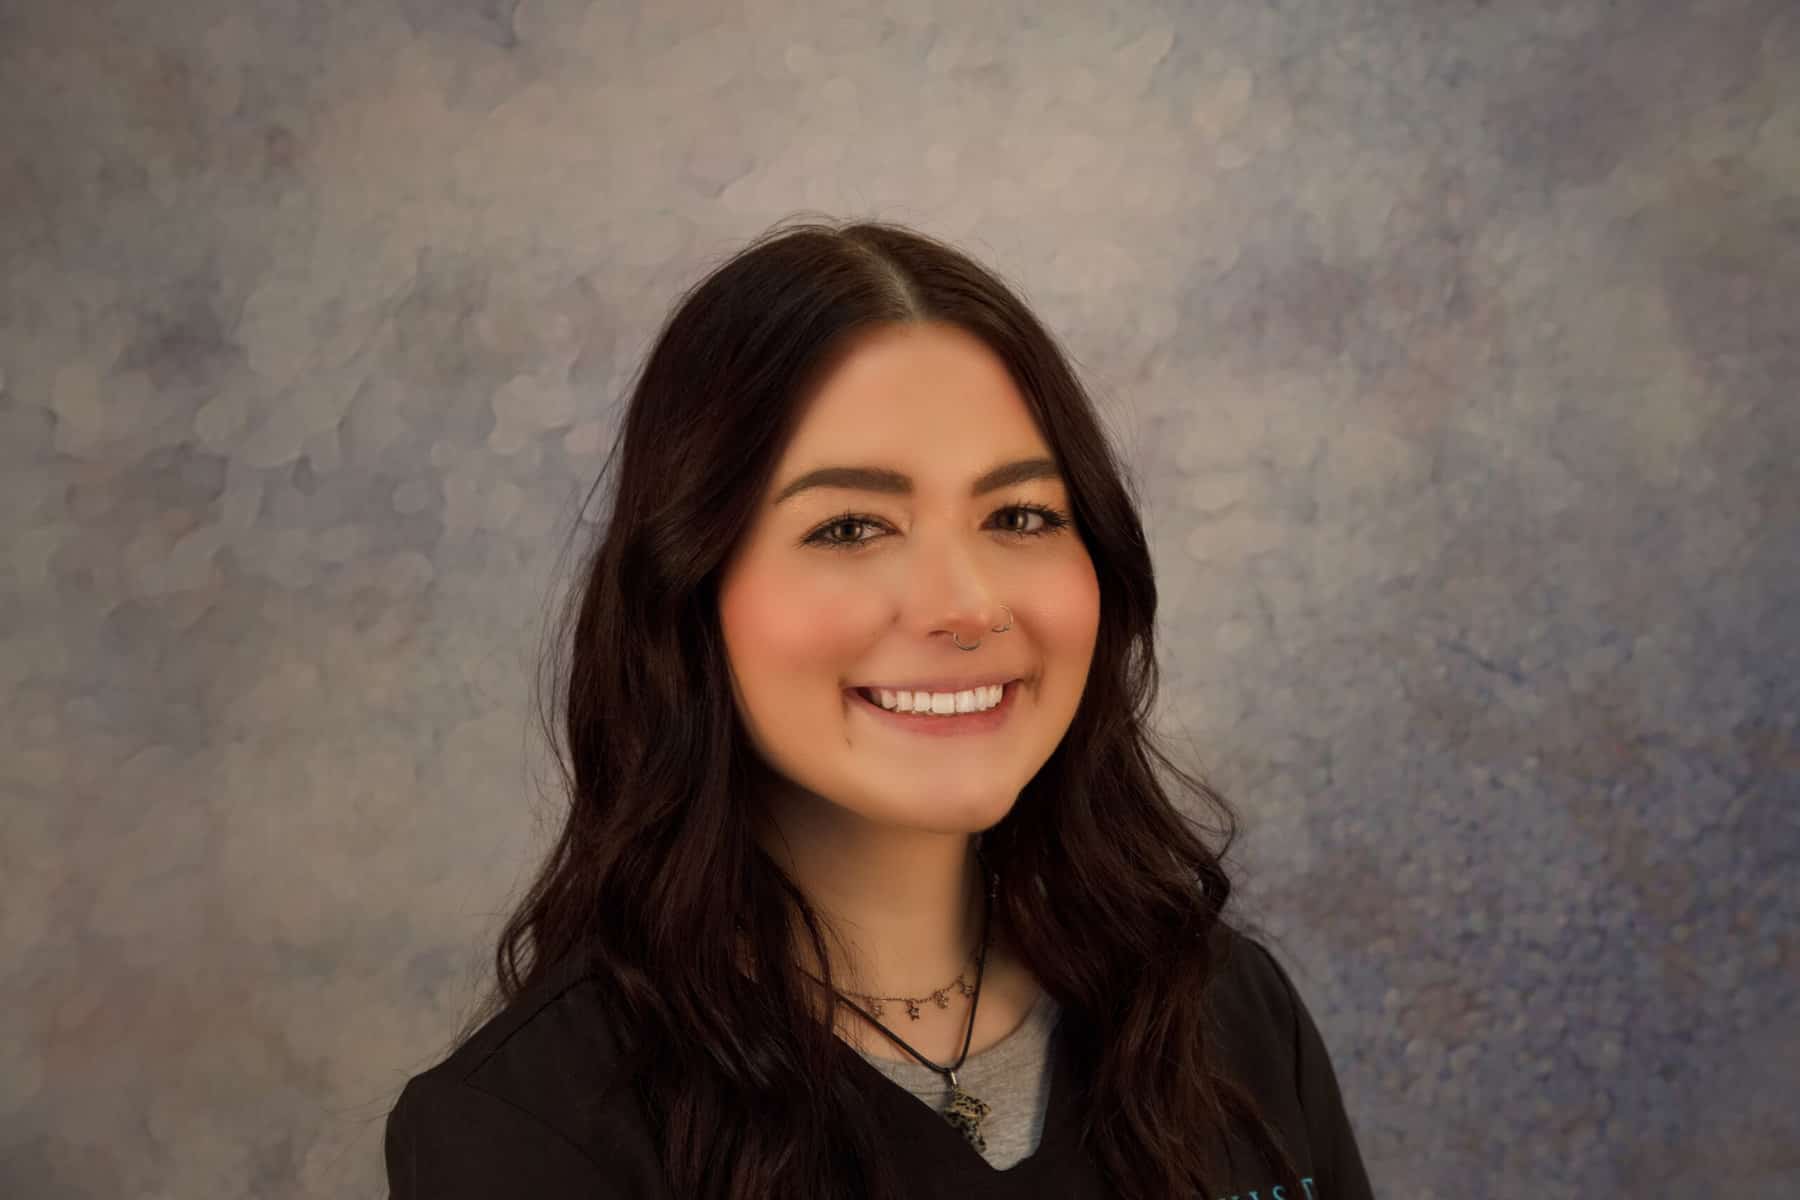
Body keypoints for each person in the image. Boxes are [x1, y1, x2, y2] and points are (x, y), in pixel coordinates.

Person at [384, 217, 1376, 1199]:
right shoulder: (529, 1134)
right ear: (690, 591)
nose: (967, 607)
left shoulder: (1231, 1017)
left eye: (1020, 516)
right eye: (851, 526)